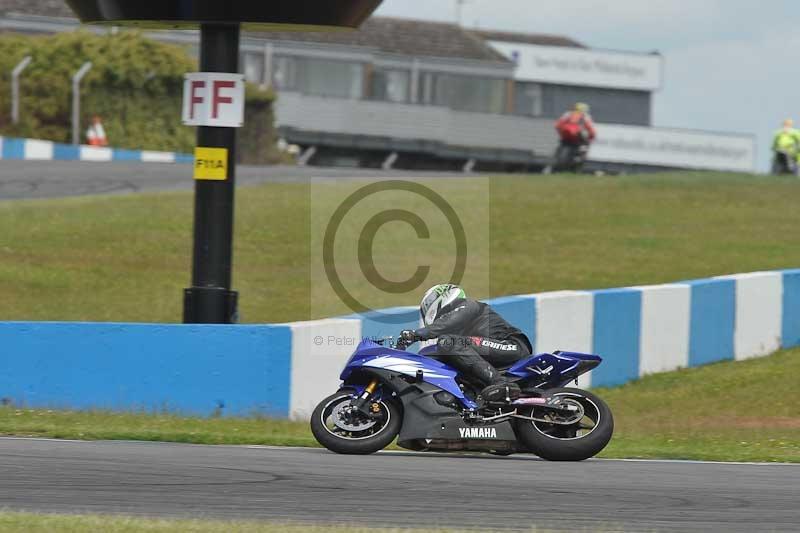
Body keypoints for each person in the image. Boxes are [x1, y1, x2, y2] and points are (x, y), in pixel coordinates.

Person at [400, 284, 532, 403]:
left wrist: (415, 335)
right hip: (490, 352)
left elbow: (447, 323)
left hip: (511, 345)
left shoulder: (468, 305)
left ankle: (500, 383)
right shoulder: (457, 333)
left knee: (448, 342)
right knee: (431, 352)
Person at [548, 102, 596, 173]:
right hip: (578, 138)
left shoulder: (567, 114)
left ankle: (555, 167)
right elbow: (591, 130)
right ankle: (577, 165)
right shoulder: (585, 116)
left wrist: (561, 134)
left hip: (565, 137)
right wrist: (590, 138)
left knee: (559, 151)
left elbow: (558, 125)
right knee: (584, 150)